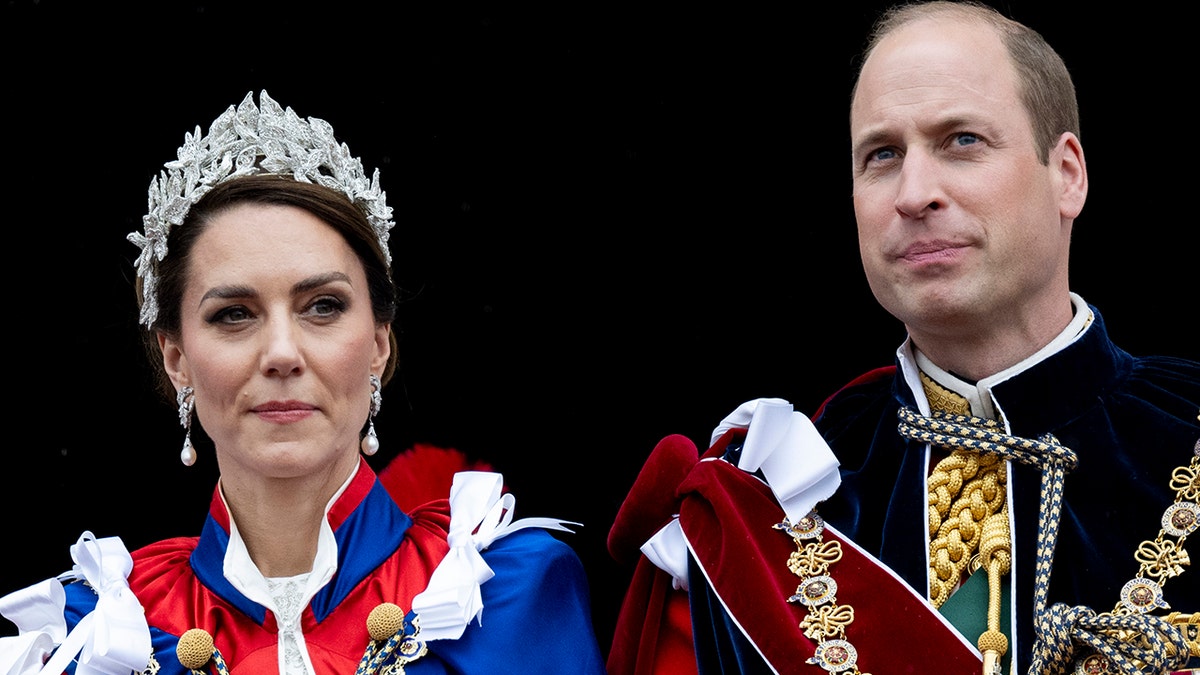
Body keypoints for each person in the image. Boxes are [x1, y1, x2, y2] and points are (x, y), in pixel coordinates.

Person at [605, 2, 1200, 674]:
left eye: (962, 141)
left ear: (1066, 174)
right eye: (882, 155)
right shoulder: (761, 504)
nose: (914, 193)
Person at [0, 91, 607, 675]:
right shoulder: (102, 630)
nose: (282, 354)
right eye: (233, 314)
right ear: (176, 358)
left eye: (322, 306)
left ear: (378, 343)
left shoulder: (502, 591)